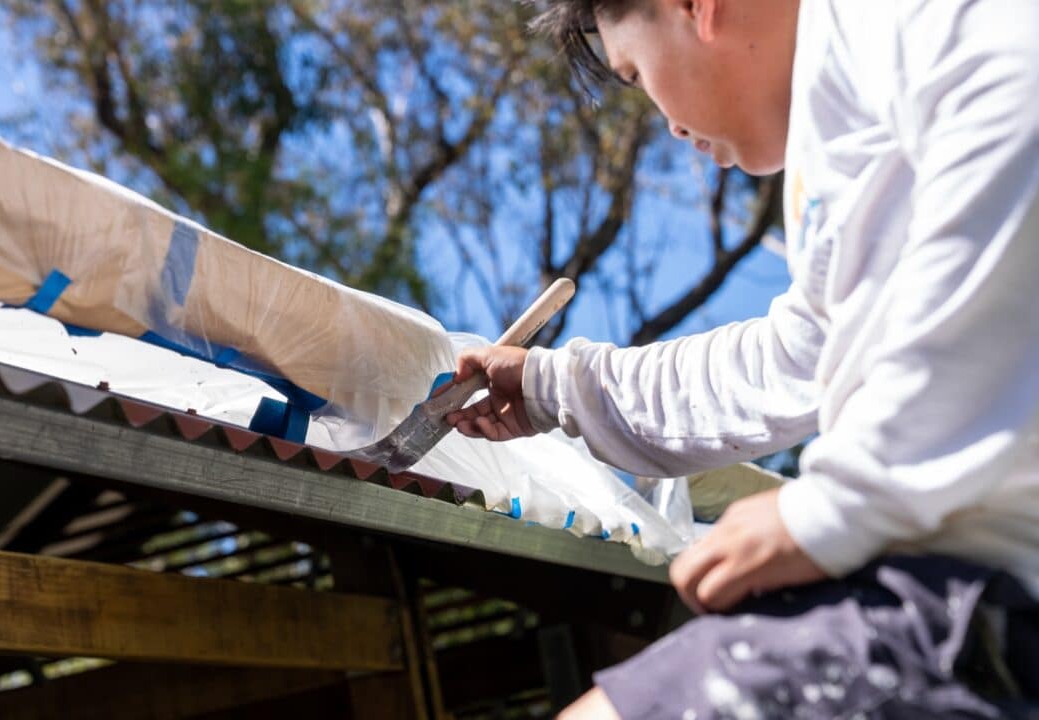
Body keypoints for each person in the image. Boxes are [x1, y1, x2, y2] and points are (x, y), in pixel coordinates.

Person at [444, 0, 1039, 717]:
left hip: (983, 606)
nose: (667, 122)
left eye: (634, 71)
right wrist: (556, 385)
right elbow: (792, 359)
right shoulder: (843, 121)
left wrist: (835, 510)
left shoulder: (896, 19)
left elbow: (1021, 112)